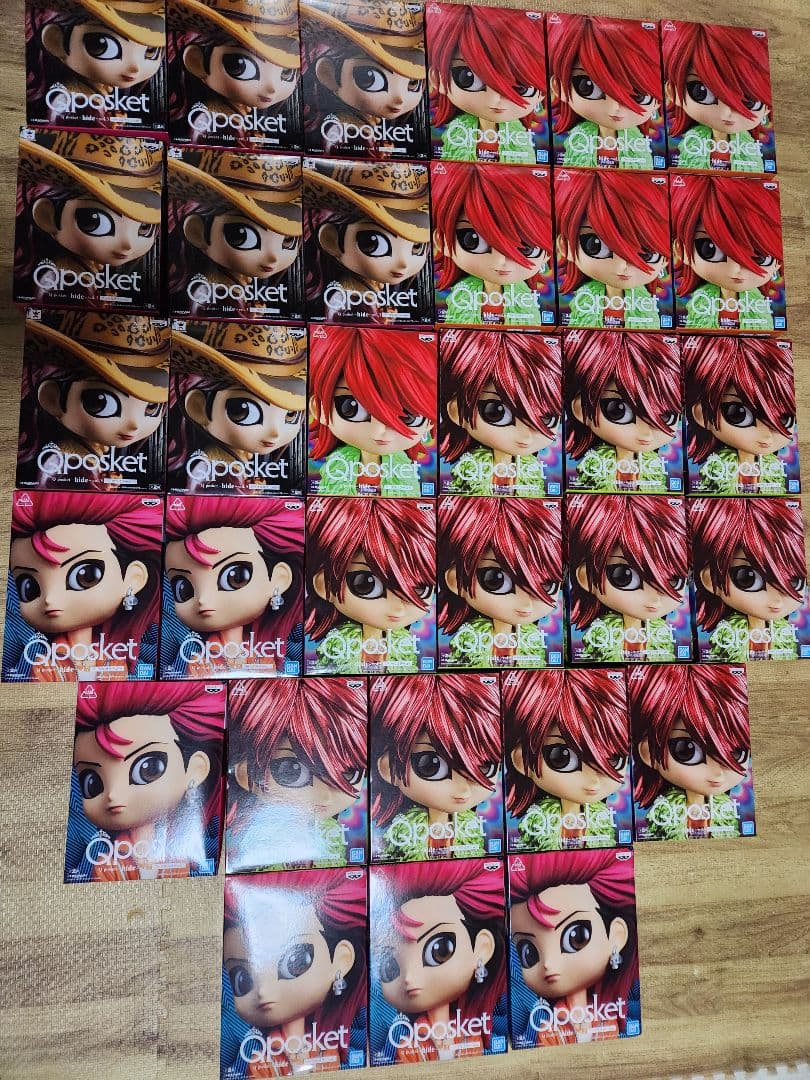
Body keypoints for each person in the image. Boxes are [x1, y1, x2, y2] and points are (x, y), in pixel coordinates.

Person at [68, 681, 225, 881]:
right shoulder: (97, 857)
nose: (113, 794)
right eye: (92, 783)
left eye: (148, 769)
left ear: (195, 769)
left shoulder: (206, 845)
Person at [222, 869, 367, 1075]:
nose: (263, 991)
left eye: (295, 962)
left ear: (341, 959)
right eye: (243, 979)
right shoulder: (247, 1047)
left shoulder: (358, 1032)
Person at [5, 491, 160, 682]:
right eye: (30, 587)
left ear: (133, 578)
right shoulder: (43, 665)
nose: (50, 599)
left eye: (85, 576)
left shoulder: (119, 659)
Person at [370, 860, 506, 1063]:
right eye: (390, 966)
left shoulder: (483, 1029)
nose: (409, 978)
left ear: (482, 948)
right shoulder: (402, 1043)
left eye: (440, 950)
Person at [225, 677, 367, 871]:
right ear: (244, 772)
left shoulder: (345, 835)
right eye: (292, 770)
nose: (325, 796)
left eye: (347, 771)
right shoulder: (245, 842)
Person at [18, 311, 168, 492]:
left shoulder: (96, 453)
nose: (134, 425)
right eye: (101, 402)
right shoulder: (69, 461)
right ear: (53, 398)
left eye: (151, 406)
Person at [15, 129, 161, 309]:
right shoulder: (67, 280)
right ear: (47, 216)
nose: (128, 244)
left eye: (145, 227)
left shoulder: (86, 270)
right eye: (95, 221)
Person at [163, 496, 304, 679]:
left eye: (235, 577)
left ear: (279, 579)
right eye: (184, 589)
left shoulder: (272, 652)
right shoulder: (195, 658)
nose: (203, 599)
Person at [509, 850, 639, 1046]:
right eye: (529, 953)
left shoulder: (611, 1016)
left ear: (616, 935)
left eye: (576, 938)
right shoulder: (548, 1028)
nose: (548, 963)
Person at [370, 674, 501, 861]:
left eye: (483, 766)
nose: (463, 791)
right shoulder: (397, 833)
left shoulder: (473, 828)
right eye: (431, 766)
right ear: (389, 767)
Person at [168, 322, 306, 495]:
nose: (275, 432)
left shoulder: (231, 460)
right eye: (244, 410)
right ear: (198, 407)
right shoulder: (216, 469)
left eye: (291, 414)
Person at [504, 669, 629, 851]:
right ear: (522, 760)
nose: (594, 781)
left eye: (612, 758)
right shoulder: (535, 822)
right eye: (562, 758)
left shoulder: (606, 821)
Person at [305, 498, 435, 675]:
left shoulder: (405, 644)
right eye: (366, 584)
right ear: (324, 585)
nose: (398, 609)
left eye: (418, 587)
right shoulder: (336, 643)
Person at [168, 151, 302, 319]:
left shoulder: (244, 284)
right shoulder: (209, 292)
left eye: (288, 240)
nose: (273, 257)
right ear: (197, 232)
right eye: (243, 236)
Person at [308, 325, 436, 497]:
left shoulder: (403, 471)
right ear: (319, 409)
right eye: (352, 408)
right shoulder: (338, 465)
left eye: (407, 415)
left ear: (431, 421)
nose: (379, 431)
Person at [628, 664, 751, 840]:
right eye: (686, 751)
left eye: (736, 752)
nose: (718, 774)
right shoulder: (665, 812)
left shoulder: (727, 811)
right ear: (649, 752)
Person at [303, 158, 431, 324]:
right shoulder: (351, 300)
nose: (404, 263)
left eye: (417, 247)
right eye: (373, 243)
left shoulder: (366, 290)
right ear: (331, 240)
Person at [439, 496, 562, 668]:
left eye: (546, 584)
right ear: (455, 581)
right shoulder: (469, 638)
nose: (526, 605)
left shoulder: (535, 640)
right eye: (495, 580)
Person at [567, 494, 690, 663]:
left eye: (673, 580)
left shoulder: (664, 635)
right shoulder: (599, 634)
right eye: (624, 577)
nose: (655, 599)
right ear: (586, 577)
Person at [440, 329, 561, 497]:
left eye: (545, 418)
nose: (526, 437)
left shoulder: (531, 469)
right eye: (496, 413)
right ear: (457, 412)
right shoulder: (472, 467)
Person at [432, 161, 553, 326]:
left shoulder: (528, 302)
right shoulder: (459, 298)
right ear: (442, 241)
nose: (500, 260)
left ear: (549, 251)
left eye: (525, 247)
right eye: (473, 240)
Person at [167, 0, 301, 148]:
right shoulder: (217, 122)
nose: (272, 88)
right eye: (241, 66)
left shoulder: (235, 114)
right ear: (196, 62)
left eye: (286, 72)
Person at [301, 0, 427, 156]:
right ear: (328, 74)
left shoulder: (355, 125)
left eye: (413, 83)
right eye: (370, 78)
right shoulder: (351, 133)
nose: (400, 99)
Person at [427, 2, 546, 165]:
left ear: (544, 92)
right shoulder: (457, 133)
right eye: (468, 78)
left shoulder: (521, 139)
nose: (495, 98)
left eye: (520, 86)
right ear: (437, 79)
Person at [564, 329, 681, 493]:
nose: (646, 434)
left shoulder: (655, 467)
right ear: (580, 410)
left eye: (665, 415)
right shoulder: (594, 463)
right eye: (618, 411)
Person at [691, 497, 806, 662]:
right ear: (711, 580)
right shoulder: (729, 634)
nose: (777, 601)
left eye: (793, 580)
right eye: (747, 579)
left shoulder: (786, 635)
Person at [555, 168, 669, 329]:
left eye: (645, 252)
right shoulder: (583, 302)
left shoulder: (649, 307)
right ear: (564, 246)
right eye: (596, 245)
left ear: (667, 257)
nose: (622, 265)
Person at [683, 335, 795, 495]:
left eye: (783, 418)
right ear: (702, 414)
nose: (767, 437)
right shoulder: (717, 468)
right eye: (739, 415)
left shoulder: (774, 471)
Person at [27, 0, 165, 128]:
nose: (136, 67)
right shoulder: (76, 103)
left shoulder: (97, 93)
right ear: (56, 42)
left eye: (150, 50)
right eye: (101, 45)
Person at [671, 173, 782, 331]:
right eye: (710, 249)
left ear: (778, 261)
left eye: (759, 256)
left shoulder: (762, 311)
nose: (736, 268)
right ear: (680, 250)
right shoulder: (694, 306)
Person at [548, 14, 661, 169]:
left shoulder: (638, 146)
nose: (615, 107)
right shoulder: (578, 140)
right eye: (588, 87)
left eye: (638, 94)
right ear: (558, 87)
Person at [663, 21, 772, 171]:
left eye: (748, 100)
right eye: (701, 92)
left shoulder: (751, 151)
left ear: (767, 107)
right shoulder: (689, 144)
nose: (727, 112)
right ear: (673, 92)